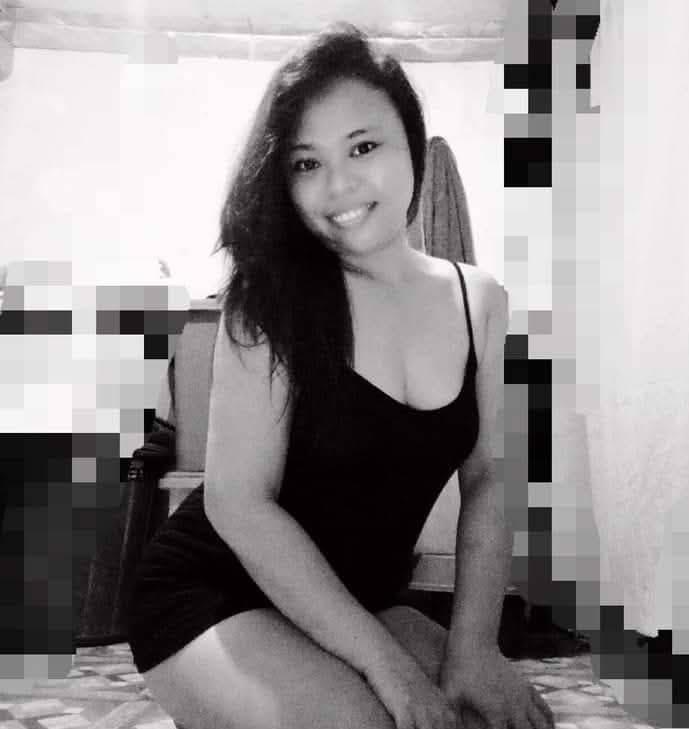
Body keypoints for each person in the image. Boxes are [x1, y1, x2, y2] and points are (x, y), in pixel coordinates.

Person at [127, 23, 555, 729]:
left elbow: (489, 478)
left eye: (363, 147)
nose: (338, 185)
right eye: (306, 163)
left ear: (412, 144)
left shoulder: (480, 302)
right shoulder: (267, 303)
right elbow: (239, 505)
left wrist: (476, 647)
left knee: (489, 720)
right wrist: (386, 666)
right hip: (215, 590)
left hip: (359, 601)